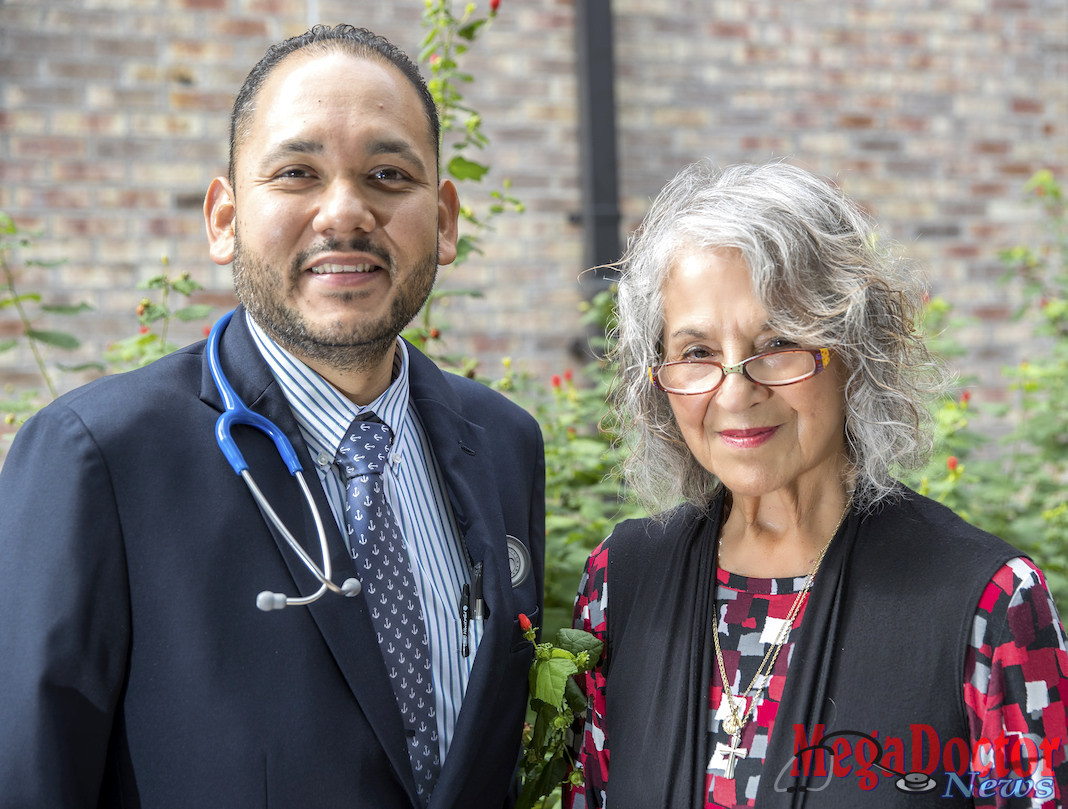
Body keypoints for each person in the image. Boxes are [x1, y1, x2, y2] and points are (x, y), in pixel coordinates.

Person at [0, 25, 544, 809]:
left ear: (446, 218)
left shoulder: (503, 444)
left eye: (389, 174)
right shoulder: (100, 459)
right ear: (223, 219)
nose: (347, 212)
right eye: (296, 173)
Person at [565, 161, 1067, 808]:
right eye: (696, 353)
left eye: (777, 342)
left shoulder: (988, 603)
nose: (736, 391)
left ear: (854, 350)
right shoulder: (619, 582)